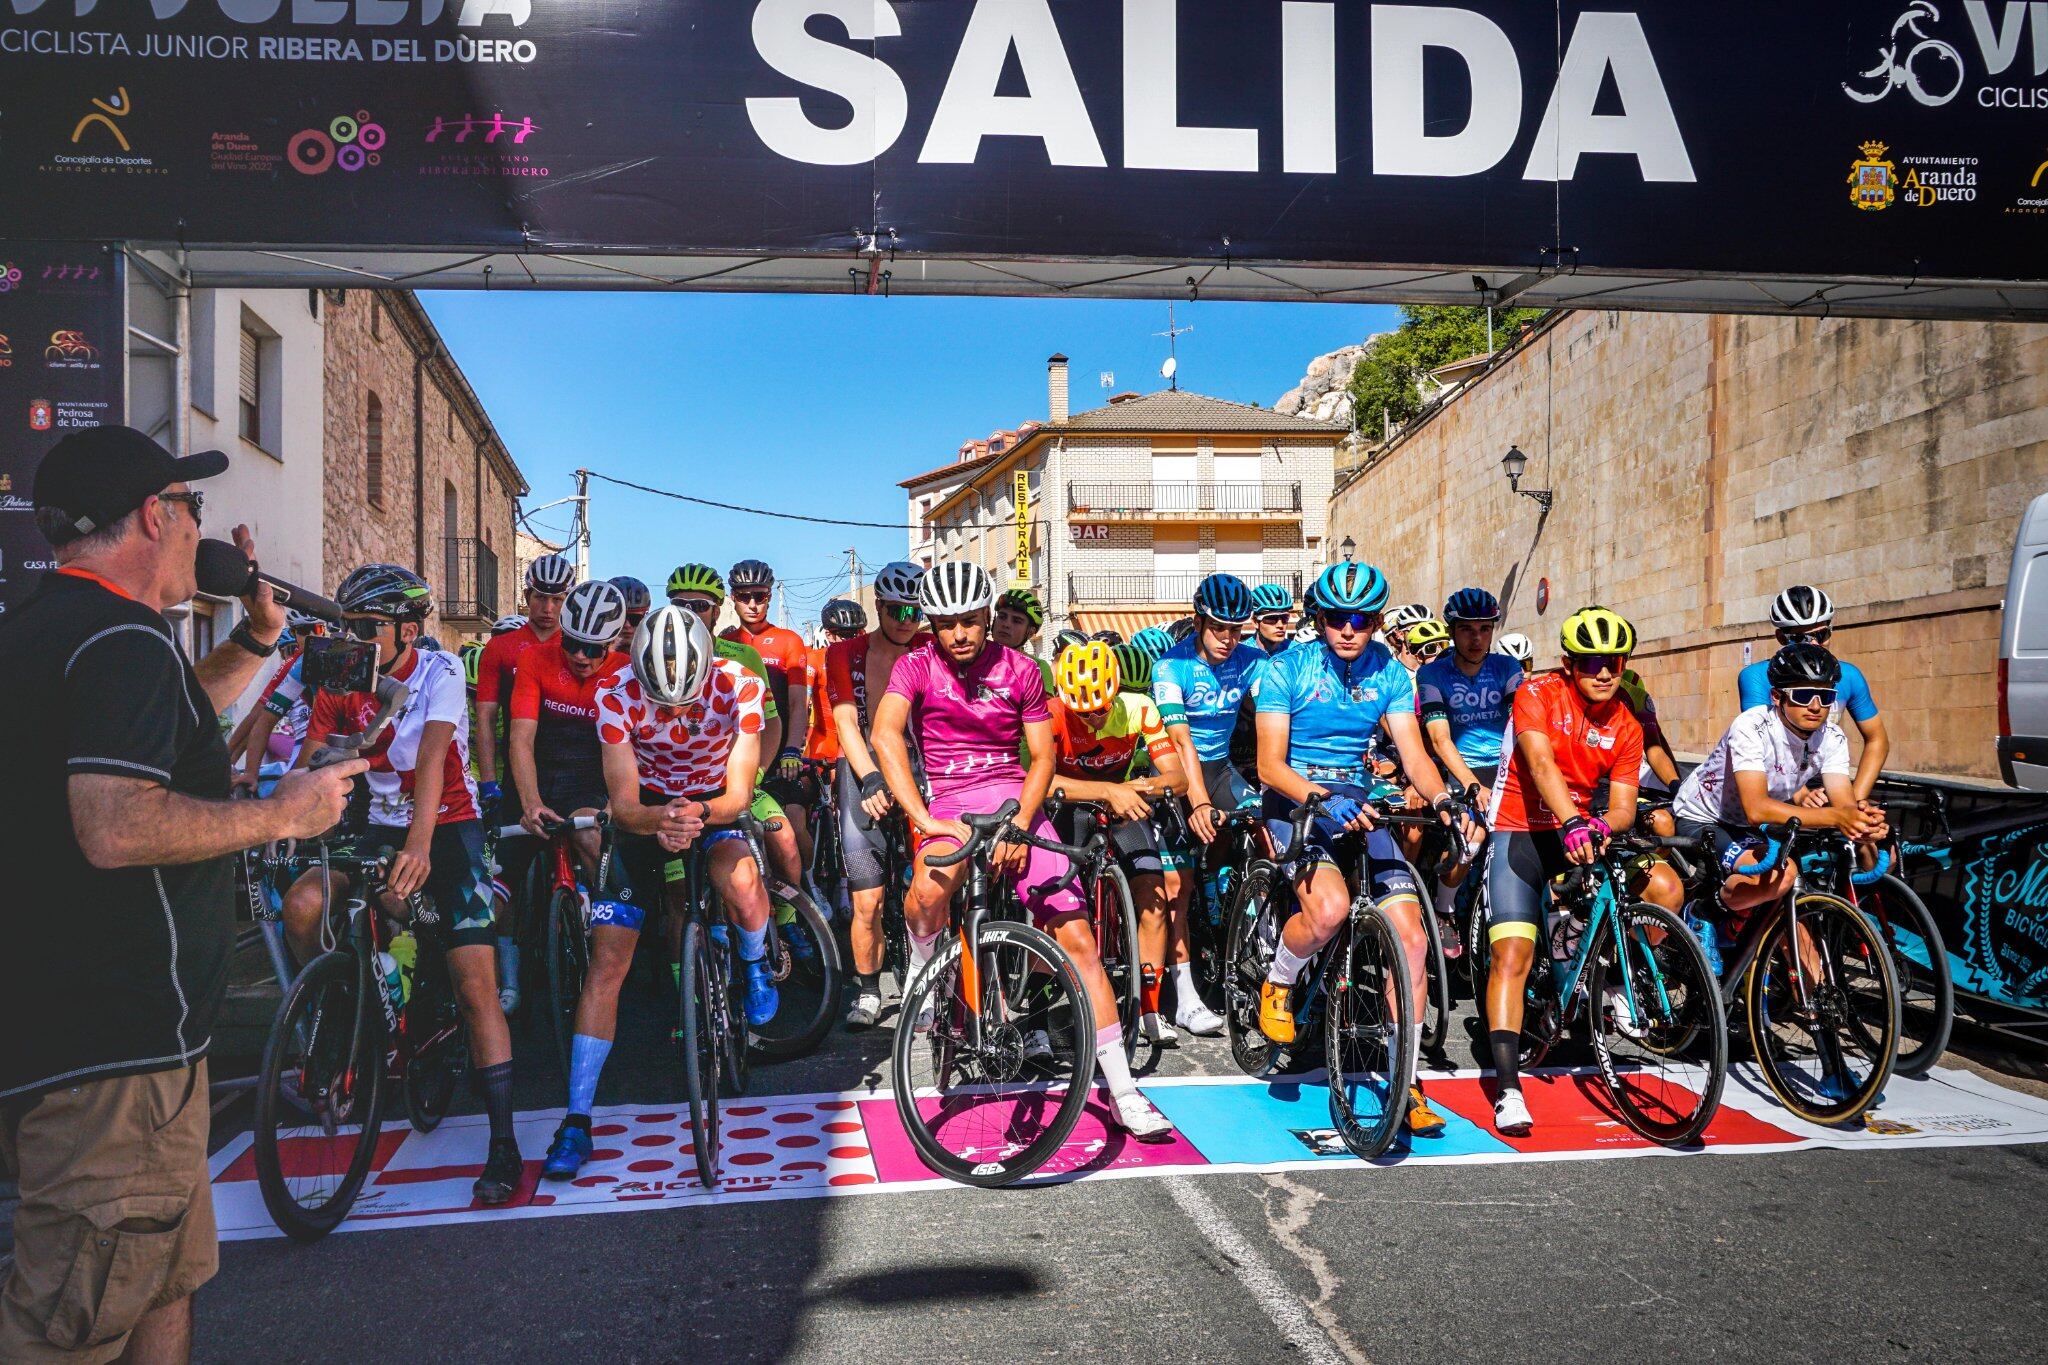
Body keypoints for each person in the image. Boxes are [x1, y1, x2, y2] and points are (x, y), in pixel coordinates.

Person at [0, 427, 361, 1364]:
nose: (203, 525)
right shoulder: (122, 636)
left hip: (107, 1048)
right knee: (70, 1323)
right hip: (116, 1061)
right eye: (191, 504)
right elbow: (116, 822)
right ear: (156, 516)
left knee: (165, 1281)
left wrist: (255, 639)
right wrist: (285, 814)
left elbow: (156, 728)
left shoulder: (54, 631)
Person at [871, 560, 1175, 1140]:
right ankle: (921, 955)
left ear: (987, 616)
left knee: (1079, 938)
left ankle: (1124, 1089)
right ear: (932, 622)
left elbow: (1041, 759)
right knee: (924, 897)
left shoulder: (1022, 669)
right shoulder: (915, 665)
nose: (960, 633)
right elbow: (886, 734)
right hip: (950, 800)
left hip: (1015, 798)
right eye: (946, 622)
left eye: (970, 620)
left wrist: (1022, 822)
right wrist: (927, 820)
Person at [274, 564, 524, 1202]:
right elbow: (309, 758)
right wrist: (280, 823)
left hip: (448, 821)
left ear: (408, 630)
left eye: (367, 627)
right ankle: (342, 1003)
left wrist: (419, 847)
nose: (352, 636)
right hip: (372, 818)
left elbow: (436, 762)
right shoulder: (342, 673)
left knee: (475, 985)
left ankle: (504, 1144)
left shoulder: (437, 674)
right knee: (305, 904)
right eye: (346, 625)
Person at [540, 607, 774, 1179]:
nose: (671, 714)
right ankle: (575, 1118)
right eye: (660, 701)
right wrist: (659, 821)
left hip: (713, 804)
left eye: (684, 702)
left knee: (742, 882)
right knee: (607, 962)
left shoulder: (738, 683)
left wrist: (696, 813)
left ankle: (755, 963)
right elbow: (620, 804)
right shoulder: (616, 692)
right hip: (646, 814)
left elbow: (740, 792)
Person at [1254, 561, 1475, 1138]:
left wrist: (1443, 800)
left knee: (1413, 940)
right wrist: (1317, 798)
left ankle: (1407, 1081)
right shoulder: (1287, 668)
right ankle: (1279, 980)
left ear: (1376, 622)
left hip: (1360, 799)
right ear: (1318, 619)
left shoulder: (1393, 675)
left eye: (1361, 620)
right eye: (1335, 619)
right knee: (1326, 912)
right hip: (1296, 798)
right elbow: (1268, 764)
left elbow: (1417, 755)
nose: (1348, 630)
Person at [1480, 606, 1662, 1137]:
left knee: (1665, 885)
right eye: (1590, 662)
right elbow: (1538, 765)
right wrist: (1572, 820)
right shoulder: (1537, 693)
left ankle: (1610, 980)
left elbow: (1625, 806)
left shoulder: (1627, 722)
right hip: (1521, 825)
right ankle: (1509, 1090)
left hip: (1580, 828)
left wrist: (1602, 827)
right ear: (1568, 664)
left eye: (1613, 661)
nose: (1603, 671)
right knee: (1512, 952)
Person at [1674, 643, 1888, 979]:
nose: (1816, 706)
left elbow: (1843, 802)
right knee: (1781, 874)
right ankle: (1703, 911)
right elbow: (1756, 807)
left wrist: (1862, 822)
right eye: (1803, 695)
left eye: (1826, 697)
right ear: (1777, 697)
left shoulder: (1831, 736)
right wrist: (1837, 817)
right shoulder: (1751, 726)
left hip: (1749, 826)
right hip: (1703, 818)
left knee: (1787, 895)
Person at [1045, 642, 1218, 1043]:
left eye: (1101, 709)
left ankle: (1150, 1007)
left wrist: (1146, 785)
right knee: (1054, 902)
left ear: (1117, 690)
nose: (1091, 718)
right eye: (1081, 712)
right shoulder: (1052, 712)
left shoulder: (1139, 707)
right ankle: (1052, 1004)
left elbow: (1177, 778)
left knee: (1154, 893)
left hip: (1126, 806)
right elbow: (1039, 779)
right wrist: (1108, 789)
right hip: (1069, 809)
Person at [825, 562, 928, 1026]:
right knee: (868, 898)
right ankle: (868, 990)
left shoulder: (931, 646)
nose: (906, 619)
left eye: (914, 610)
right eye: (895, 610)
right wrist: (868, 778)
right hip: (863, 763)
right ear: (879, 608)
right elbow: (846, 719)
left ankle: (927, 976)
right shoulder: (844, 653)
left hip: (920, 763)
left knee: (924, 886)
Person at [475, 551, 577, 1009]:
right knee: (506, 875)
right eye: (540, 597)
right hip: (519, 773)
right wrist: (490, 783)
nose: (548, 608)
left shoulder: (581, 645)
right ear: (527, 596)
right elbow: (486, 720)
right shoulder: (501, 648)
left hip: (572, 767)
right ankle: (509, 981)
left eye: (557, 599)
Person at [508, 580, 630, 891]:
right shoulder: (535, 658)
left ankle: (603, 915)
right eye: (571, 644)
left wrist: (615, 807)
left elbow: (636, 748)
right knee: (502, 870)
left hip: (590, 779)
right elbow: (520, 739)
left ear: (612, 643)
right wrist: (530, 802)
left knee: (589, 838)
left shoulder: (626, 672)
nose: (580, 656)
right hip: (538, 771)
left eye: (592, 649)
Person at [1736, 585, 1889, 800]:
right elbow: (1762, 741)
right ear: (1781, 637)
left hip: (1828, 776)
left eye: (1821, 634)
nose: (1814, 643)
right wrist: (1800, 795)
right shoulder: (1756, 676)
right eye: (1799, 638)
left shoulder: (1850, 675)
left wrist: (1856, 798)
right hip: (1775, 781)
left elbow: (1877, 739)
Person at [1152, 573, 1269, 847]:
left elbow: (1272, 716)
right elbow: (1181, 742)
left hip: (1220, 768)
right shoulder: (1170, 667)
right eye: (1218, 627)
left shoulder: (1253, 661)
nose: (1228, 639)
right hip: (1176, 768)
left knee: (1265, 833)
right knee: (1181, 884)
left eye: (1236, 629)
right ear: (1197, 622)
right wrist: (1201, 802)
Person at [1250, 582, 1296, 655]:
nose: (1280, 625)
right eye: (1271, 618)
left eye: (1284, 618)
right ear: (1255, 622)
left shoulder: (1297, 652)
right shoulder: (1239, 655)